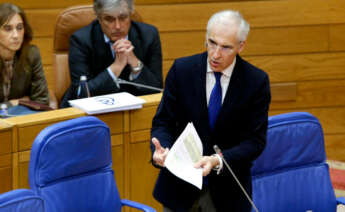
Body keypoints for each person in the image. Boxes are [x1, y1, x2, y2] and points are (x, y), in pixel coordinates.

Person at [150, 10, 271, 212]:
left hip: (228, 193)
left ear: (241, 46)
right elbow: (163, 122)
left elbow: (255, 141)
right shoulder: (182, 70)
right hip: (178, 188)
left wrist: (218, 160)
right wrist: (162, 150)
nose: (215, 54)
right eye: (212, 43)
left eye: (225, 47)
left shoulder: (256, 82)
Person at [60, 0, 163, 107]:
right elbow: (81, 93)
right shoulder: (81, 40)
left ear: (130, 15)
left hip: (134, 111)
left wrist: (135, 63)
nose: (117, 26)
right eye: (109, 19)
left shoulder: (149, 35)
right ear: (99, 18)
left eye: (123, 18)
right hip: (93, 110)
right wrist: (116, 67)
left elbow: (156, 89)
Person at [0, 3, 49, 114]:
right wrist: (13, 103)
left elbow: (42, 102)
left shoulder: (31, 54)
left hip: (21, 121)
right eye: (8, 29)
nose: (16, 35)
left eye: (19, 28)